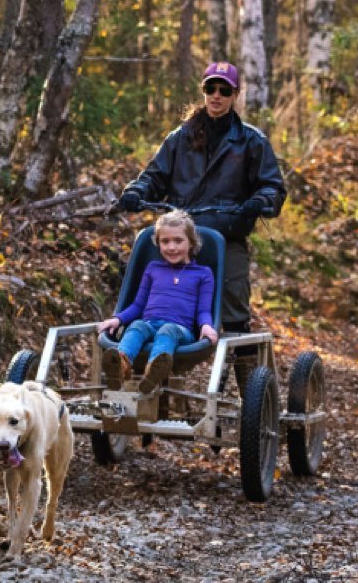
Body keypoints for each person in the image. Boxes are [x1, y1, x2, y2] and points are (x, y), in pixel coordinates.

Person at [116, 61, 286, 397]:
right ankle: (138, 379)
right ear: (203, 91)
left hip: (226, 237)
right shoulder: (180, 138)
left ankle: (251, 399)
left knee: (236, 315)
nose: (217, 96)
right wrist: (137, 190)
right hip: (179, 236)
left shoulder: (251, 142)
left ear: (235, 94)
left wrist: (258, 202)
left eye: (224, 90)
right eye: (211, 88)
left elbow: (273, 187)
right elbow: (155, 175)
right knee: (149, 300)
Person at [97, 210, 218, 394]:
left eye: (178, 241)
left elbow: (203, 310)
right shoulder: (153, 268)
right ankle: (120, 366)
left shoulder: (203, 273)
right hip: (149, 324)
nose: (171, 247)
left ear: (191, 242)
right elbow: (138, 305)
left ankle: (154, 370)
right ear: (158, 243)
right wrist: (118, 319)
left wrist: (207, 326)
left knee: (167, 330)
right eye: (165, 241)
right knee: (137, 325)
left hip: (180, 331)